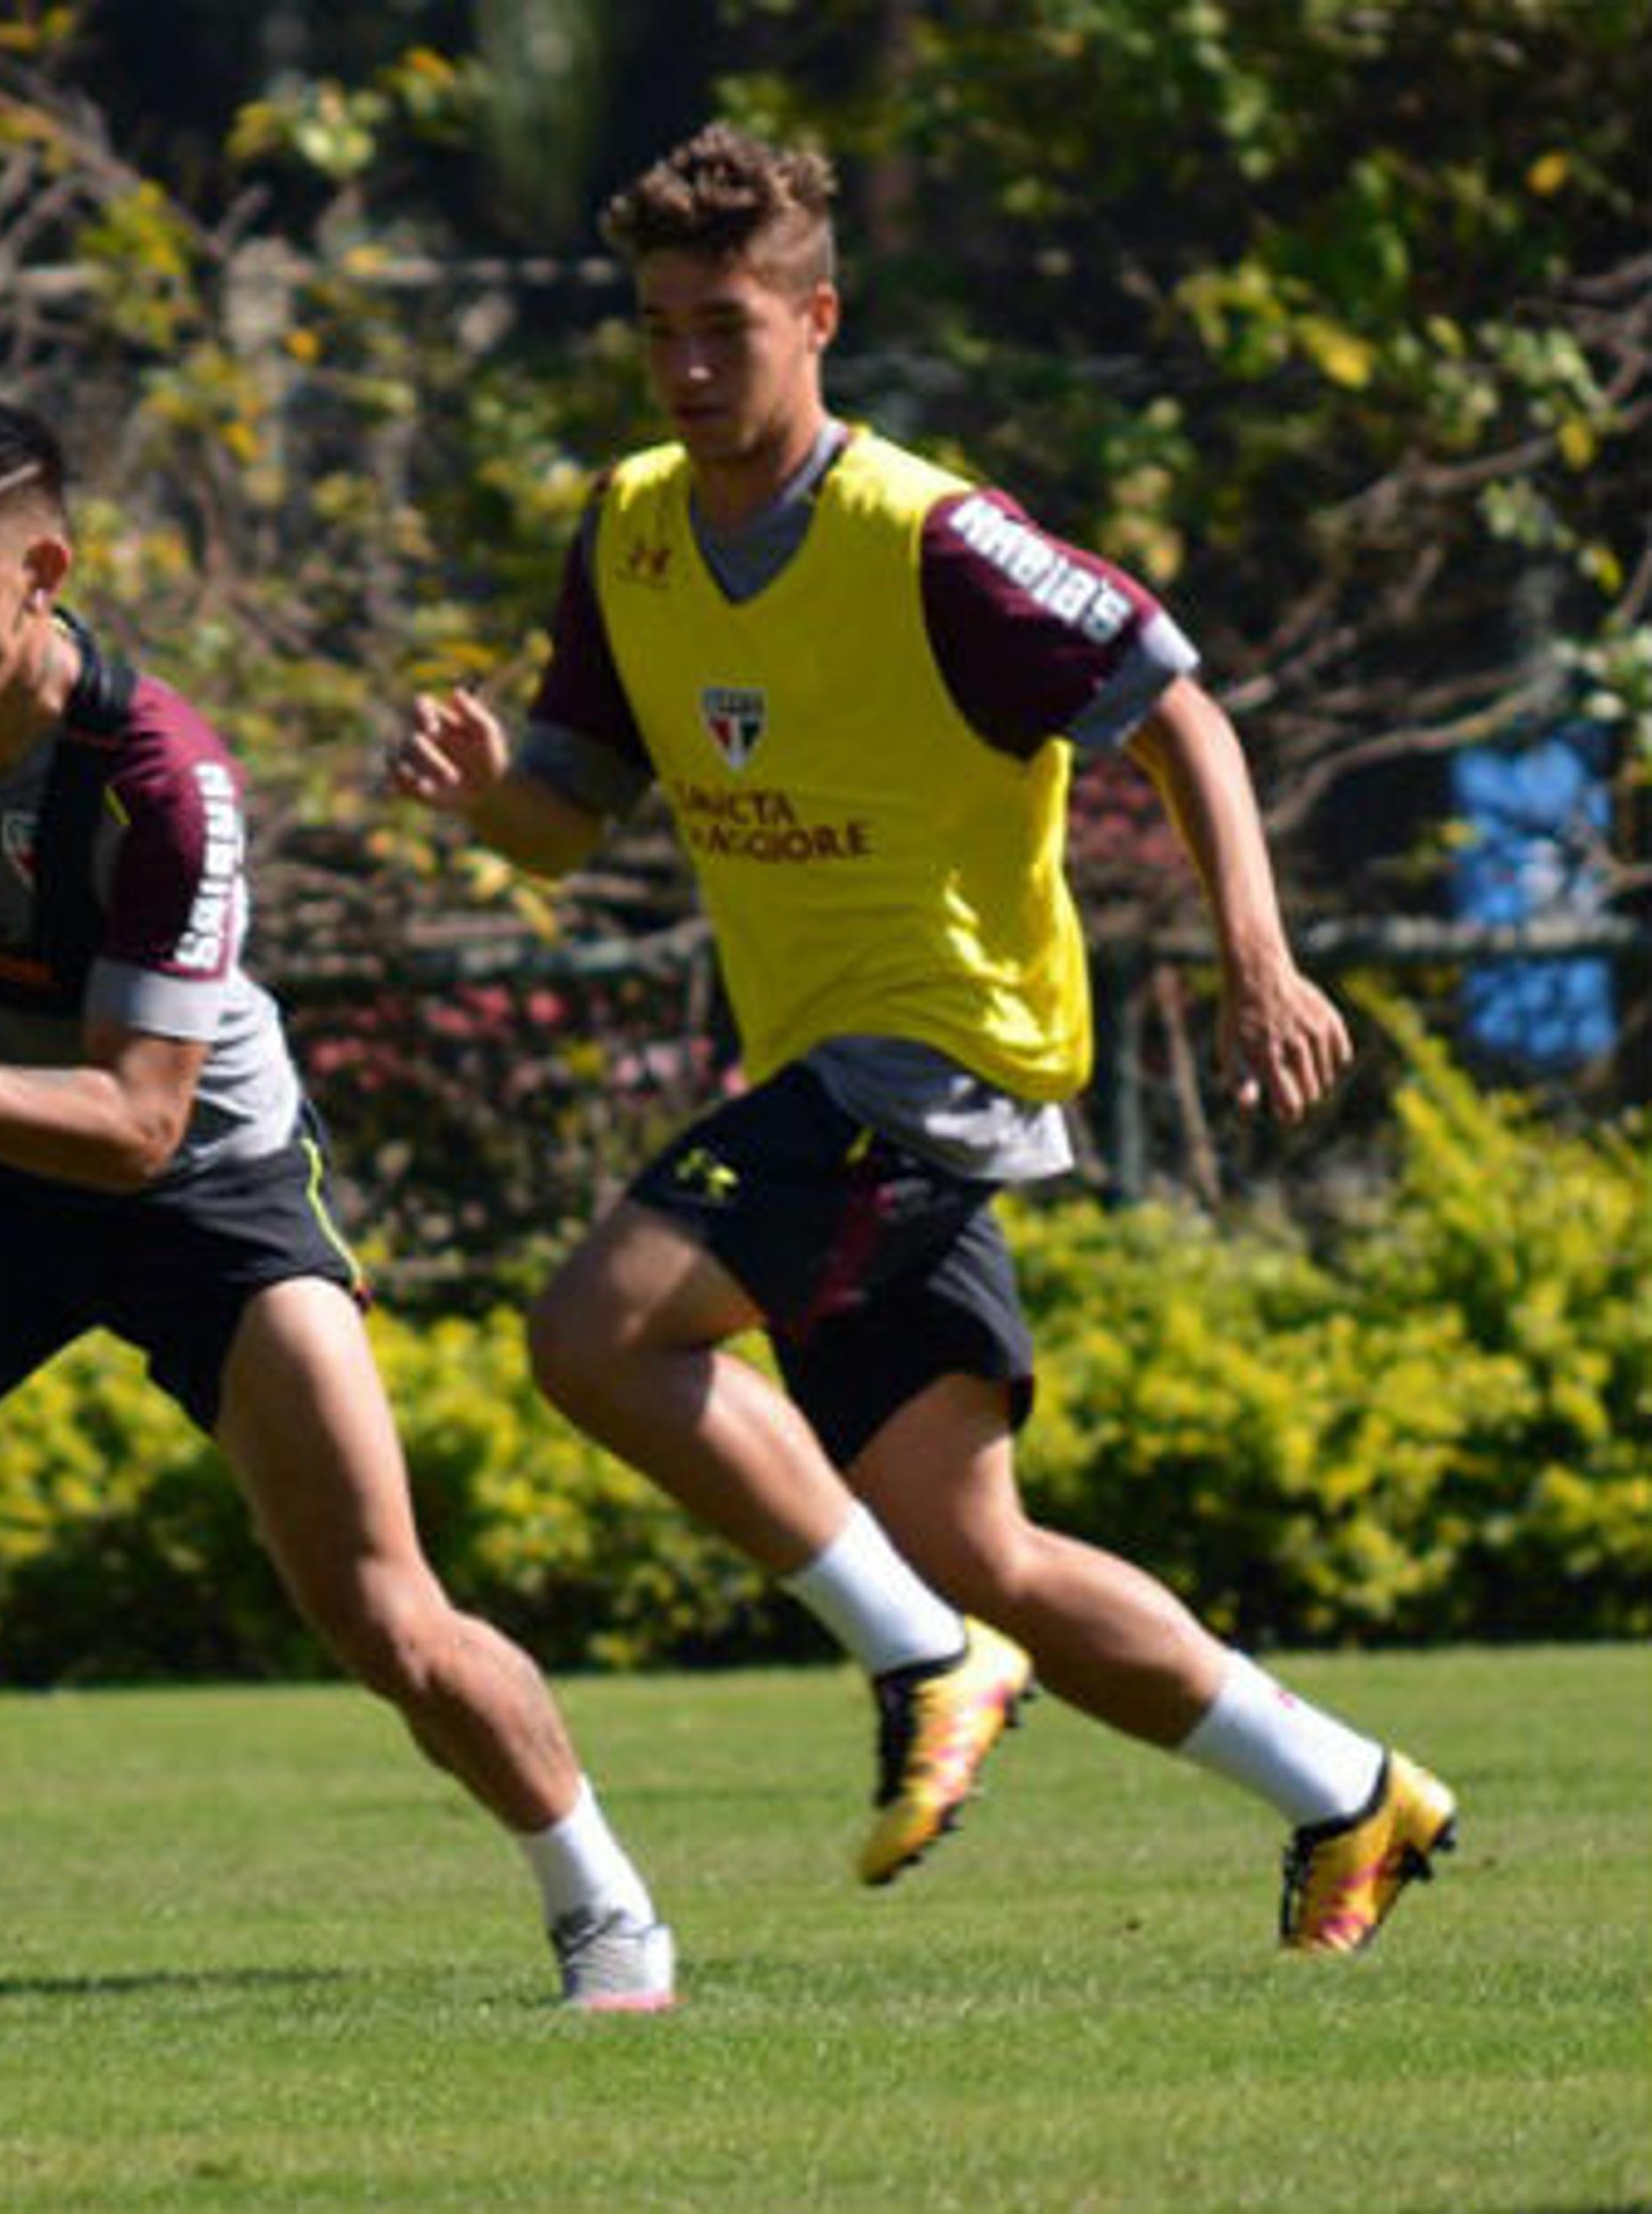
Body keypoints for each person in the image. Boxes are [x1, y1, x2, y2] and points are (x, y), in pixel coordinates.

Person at [387, 123, 1453, 1953]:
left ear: (818, 315)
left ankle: (922, 1662)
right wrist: (490, 796)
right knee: (984, 1544)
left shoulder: (932, 536)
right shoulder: (633, 527)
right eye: (660, 329)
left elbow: (1172, 703)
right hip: (825, 1074)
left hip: (935, 1061)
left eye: (727, 323)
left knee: (591, 1334)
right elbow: (575, 810)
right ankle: (1351, 1795)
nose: (693, 364)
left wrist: (1255, 959)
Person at [0, 396, 677, 2012]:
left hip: (200, 1187)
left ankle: (604, 1903)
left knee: (384, 1613)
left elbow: (133, 1123)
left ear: (45, 567)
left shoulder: (160, 780)